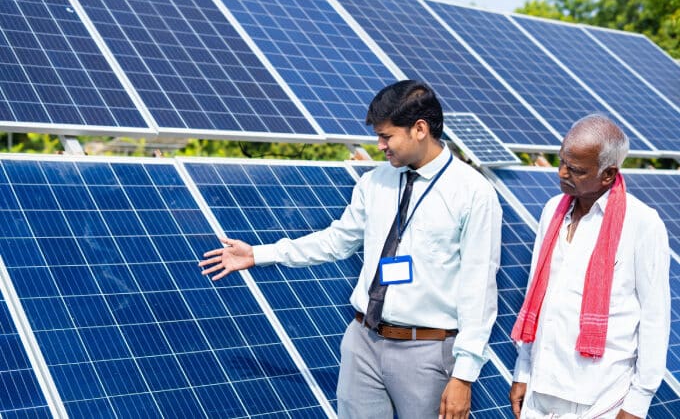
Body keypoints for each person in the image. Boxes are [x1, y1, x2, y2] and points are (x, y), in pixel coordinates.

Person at [199, 80, 502, 418]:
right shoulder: (375, 182)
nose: (379, 146)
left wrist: (464, 374)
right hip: (363, 341)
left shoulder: (473, 193)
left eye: (386, 136)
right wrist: (261, 254)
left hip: (427, 351)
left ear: (420, 129)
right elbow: (336, 240)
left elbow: (480, 286)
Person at [509, 114, 670, 419]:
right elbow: (538, 296)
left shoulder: (642, 224)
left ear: (608, 174)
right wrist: (523, 371)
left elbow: (654, 317)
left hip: (600, 396)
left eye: (577, 169)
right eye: (562, 162)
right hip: (541, 391)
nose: (562, 172)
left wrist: (637, 404)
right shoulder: (551, 212)